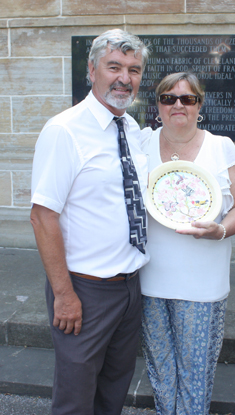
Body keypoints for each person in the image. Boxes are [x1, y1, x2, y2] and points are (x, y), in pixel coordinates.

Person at [30, 29, 150, 415]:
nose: (124, 78)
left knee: (113, 391)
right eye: (114, 66)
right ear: (92, 68)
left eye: (133, 69)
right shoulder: (64, 130)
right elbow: (42, 215)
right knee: (76, 399)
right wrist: (64, 295)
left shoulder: (131, 128)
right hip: (84, 291)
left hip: (131, 288)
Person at [140, 72, 235, 415]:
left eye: (187, 99)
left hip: (201, 282)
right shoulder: (141, 144)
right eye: (168, 98)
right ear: (158, 105)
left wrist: (219, 230)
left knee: (195, 375)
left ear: (199, 105)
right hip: (149, 278)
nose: (178, 105)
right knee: (161, 371)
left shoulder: (221, 147)